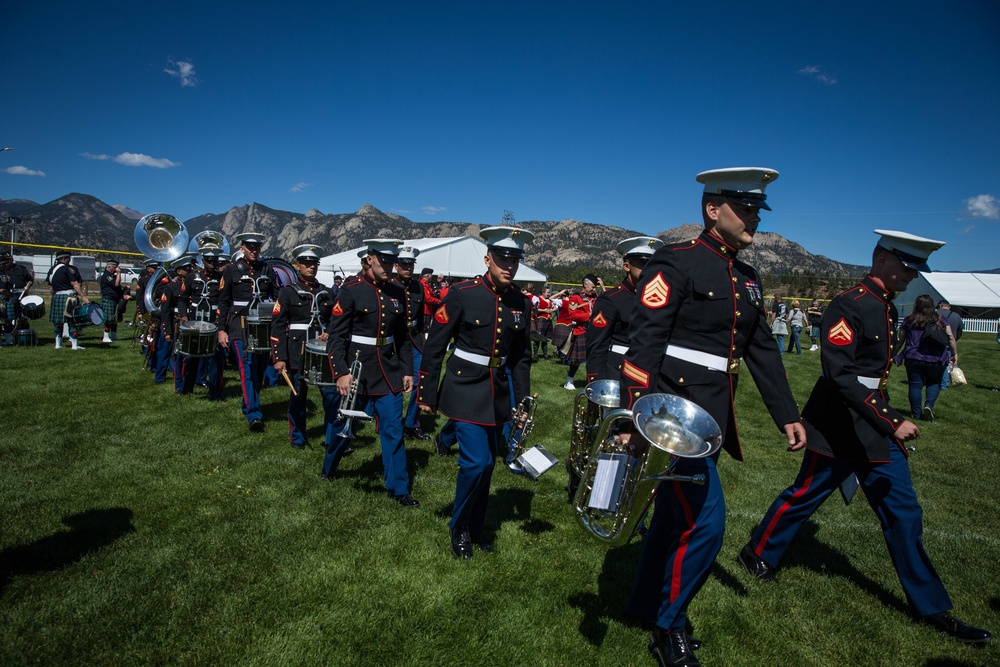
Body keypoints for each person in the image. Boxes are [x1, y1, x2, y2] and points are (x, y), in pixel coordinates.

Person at [738, 231, 991, 646]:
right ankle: (758, 552)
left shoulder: (887, 308)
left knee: (904, 514)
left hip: (873, 425)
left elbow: (876, 375)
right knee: (804, 495)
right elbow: (839, 375)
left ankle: (932, 607)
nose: (912, 276)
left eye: (916, 269)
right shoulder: (849, 304)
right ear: (882, 258)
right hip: (838, 424)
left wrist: (884, 421)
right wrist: (891, 421)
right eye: (908, 267)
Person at [617, 168, 805, 667]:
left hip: (710, 421)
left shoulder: (748, 277)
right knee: (706, 525)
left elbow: (761, 348)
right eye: (744, 209)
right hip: (670, 418)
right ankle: (669, 625)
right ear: (712, 209)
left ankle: (642, 604)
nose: (753, 220)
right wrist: (639, 413)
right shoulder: (676, 262)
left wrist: (786, 414)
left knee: (669, 521)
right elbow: (646, 341)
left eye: (757, 211)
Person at [417, 226, 533, 559]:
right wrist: (426, 395)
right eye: (501, 259)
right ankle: (459, 526)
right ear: (487, 259)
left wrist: (521, 401)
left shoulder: (520, 302)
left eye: (514, 261)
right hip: (463, 386)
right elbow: (435, 346)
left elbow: (521, 359)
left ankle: (477, 528)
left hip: (496, 392)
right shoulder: (462, 294)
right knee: (477, 462)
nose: (508, 266)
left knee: (488, 466)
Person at [322, 239, 418, 507]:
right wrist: (340, 372)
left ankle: (398, 489)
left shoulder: (398, 291)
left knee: (393, 429)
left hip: (388, 371)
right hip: (358, 371)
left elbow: (403, 337)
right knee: (345, 426)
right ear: (369, 260)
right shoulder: (351, 290)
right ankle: (329, 466)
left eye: (392, 262)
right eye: (385, 261)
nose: (390, 266)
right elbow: (336, 337)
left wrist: (408, 370)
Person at [270, 244, 339, 449]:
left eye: (314, 264)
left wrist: (331, 331)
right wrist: (279, 357)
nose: (311, 267)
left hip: (321, 350)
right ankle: (298, 437)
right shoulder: (287, 293)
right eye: (306, 264)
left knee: (330, 395)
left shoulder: (325, 292)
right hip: (296, 351)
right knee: (298, 396)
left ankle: (331, 437)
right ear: (297, 265)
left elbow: (336, 318)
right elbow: (278, 325)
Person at [217, 233, 278, 432]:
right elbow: (224, 302)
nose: (254, 250)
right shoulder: (231, 271)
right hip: (239, 326)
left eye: (257, 247)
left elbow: (276, 297)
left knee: (259, 370)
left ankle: (248, 402)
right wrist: (221, 330)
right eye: (250, 246)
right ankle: (254, 414)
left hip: (262, 327)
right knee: (246, 368)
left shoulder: (267, 269)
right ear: (242, 248)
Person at [586, 237, 663, 384]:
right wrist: (596, 386)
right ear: (627, 266)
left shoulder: (661, 298)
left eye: (652, 264)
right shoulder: (611, 299)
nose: (648, 269)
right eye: (642, 263)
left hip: (653, 374)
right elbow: (597, 347)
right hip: (619, 374)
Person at [897, 294, 956, 421]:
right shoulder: (940, 319)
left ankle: (916, 414)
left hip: (914, 357)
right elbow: (950, 337)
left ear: (916, 306)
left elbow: (900, 339)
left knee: (915, 385)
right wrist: (954, 353)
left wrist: (895, 353)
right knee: (934, 382)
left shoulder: (909, 320)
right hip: (936, 358)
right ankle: (929, 405)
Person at [395, 246, 430, 442]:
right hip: (396, 339)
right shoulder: (389, 285)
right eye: (404, 264)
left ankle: (411, 424)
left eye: (410, 264)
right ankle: (387, 421)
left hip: (415, 338)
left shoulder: (418, 287)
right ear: (396, 265)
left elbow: (420, 316)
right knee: (394, 382)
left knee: (420, 381)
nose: (408, 268)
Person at [160, 255, 196, 393]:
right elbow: (166, 311)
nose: (189, 271)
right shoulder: (171, 287)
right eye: (187, 269)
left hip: (191, 322)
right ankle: (179, 384)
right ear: (179, 271)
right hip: (177, 324)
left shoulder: (193, 284)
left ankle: (189, 383)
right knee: (179, 355)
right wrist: (167, 330)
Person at [561, 276, 599, 390]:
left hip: (594, 330)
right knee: (577, 359)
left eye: (595, 287)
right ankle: (569, 380)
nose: (594, 289)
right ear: (585, 285)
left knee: (593, 357)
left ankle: (591, 381)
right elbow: (572, 315)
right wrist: (588, 316)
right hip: (581, 330)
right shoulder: (575, 298)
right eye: (593, 287)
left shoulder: (596, 297)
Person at [47, 250, 90, 350]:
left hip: (57, 296)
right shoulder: (68, 269)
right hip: (69, 297)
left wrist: (54, 295)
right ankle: (74, 345)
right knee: (72, 321)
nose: (69, 260)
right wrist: (83, 296)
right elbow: (74, 283)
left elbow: (49, 285)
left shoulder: (52, 270)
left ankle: (58, 344)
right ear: (63, 259)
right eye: (68, 258)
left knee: (58, 322)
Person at [0, 250, 33, 346]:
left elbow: (30, 280)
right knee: (6, 319)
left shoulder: (20, 269)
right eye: (4, 261)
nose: (6, 263)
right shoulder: (2, 273)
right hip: (7, 296)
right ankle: (7, 339)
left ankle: (19, 338)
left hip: (19, 295)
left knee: (20, 317)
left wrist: (27, 288)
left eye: (8, 260)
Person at [99, 260, 131, 343]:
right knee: (109, 319)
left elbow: (117, 287)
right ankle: (105, 336)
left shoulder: (112, 276)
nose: (117, 269)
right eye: (115, 267)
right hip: (108, 299)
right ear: (109, 267)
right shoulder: (106, 276)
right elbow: (116, 284)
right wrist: (119, 274)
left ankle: (113, 335)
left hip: (114, 299)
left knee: (115, 318)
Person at [936, 299, 963, 391]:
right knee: (946, 364)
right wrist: (954, 341)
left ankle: (931, 382)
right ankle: (944, 385)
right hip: (949, 342)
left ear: (940, 306)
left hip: (935, 342)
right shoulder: (957, 316)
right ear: (949, 307)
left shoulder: (935, 314)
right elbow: (960, 331)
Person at [530, 285, 556, 359]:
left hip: (548, 320)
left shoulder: (549, 300)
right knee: (538, 337)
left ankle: (545, 354)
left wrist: (552, 310)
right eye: (547, 292)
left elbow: (555, 306)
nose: (549, 294)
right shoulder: (538, 299)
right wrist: (544, 310)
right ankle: (535, 354)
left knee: (545, 338)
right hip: (541, 319)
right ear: (543, 292)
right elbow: (534, 309)